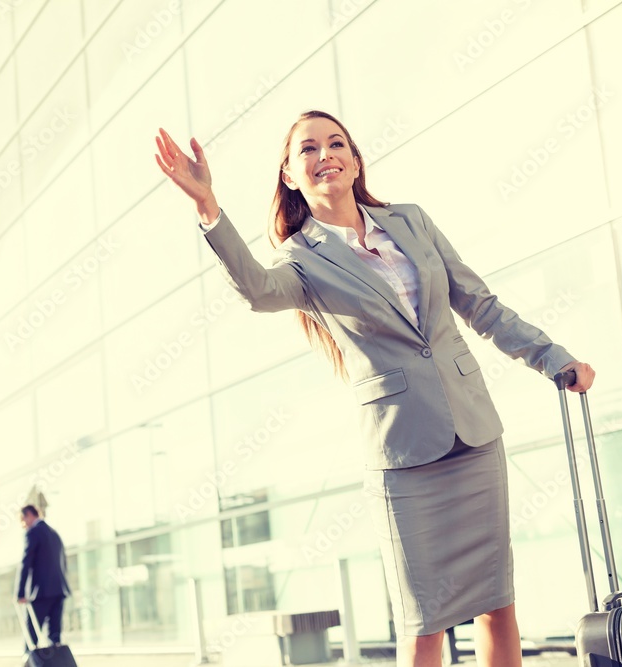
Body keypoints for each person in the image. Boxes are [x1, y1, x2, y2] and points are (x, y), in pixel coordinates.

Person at [155, 111, 595, 667]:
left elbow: (479, 306)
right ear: (290, 174)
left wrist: (553, 358)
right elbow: (258, 290)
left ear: (356, 160)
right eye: (308, 150)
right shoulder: (302, 258)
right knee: (423, 621)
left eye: (336, 143)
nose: (325, 155)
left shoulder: (411, 221)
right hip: (403, 452)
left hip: (474, 431)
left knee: (495, 604)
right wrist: (206, 206)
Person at [16, 505, 70, 648]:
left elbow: (26, 563)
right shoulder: (54, 533)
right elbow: (64, 562)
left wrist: (20, 592)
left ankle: (29, 663)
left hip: (41, 592)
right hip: (59, 590)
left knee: (31, 635)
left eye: (23, 520)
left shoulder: (33, 533)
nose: (24, 525)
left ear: (28, 515)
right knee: (55, 636)